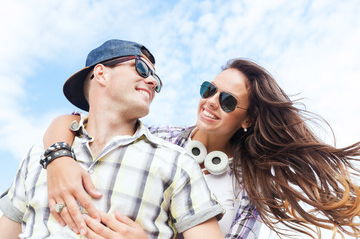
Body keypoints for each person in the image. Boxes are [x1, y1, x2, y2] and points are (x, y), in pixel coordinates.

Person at [35, 59, 360, 238]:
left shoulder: (249, 191)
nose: (211, 102)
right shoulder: (158, 138)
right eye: (209, 89)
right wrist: (58, 159)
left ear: (247, 121)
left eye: (228, 101)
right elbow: (76, 123)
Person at [0, 39, 225, 239]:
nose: (153, 82)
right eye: (142, 69)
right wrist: (57, 157)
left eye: (156, 78)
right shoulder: (38, 156)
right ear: (101, 74)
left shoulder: (178, 164)